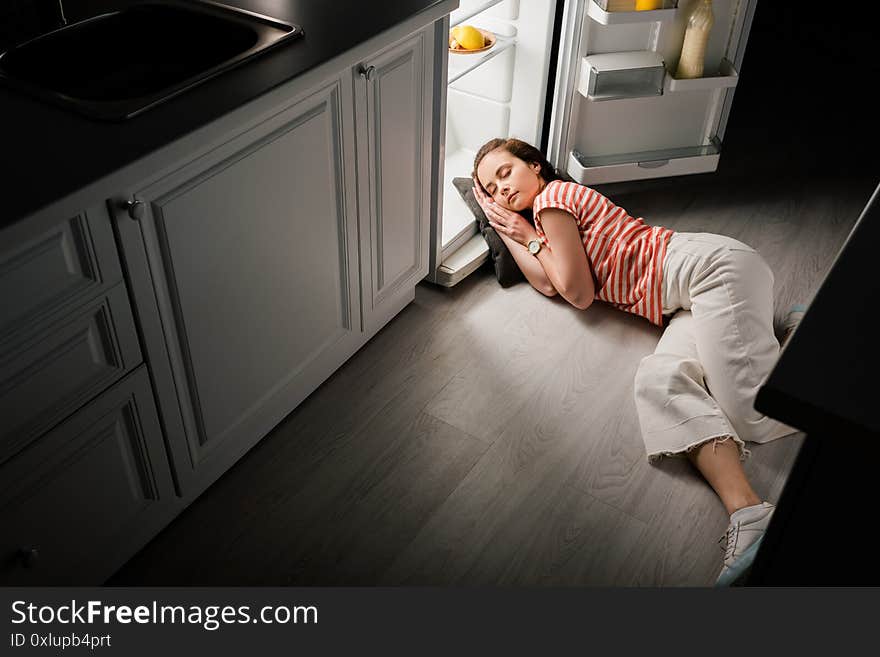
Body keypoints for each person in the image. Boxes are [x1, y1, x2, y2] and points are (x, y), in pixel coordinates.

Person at [471, 137, 804, 586]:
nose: (501, 190)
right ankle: (750, 514)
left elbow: (578, 293)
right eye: (491, 189)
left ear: (535, 165)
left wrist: (528, 234)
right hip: (684, 299)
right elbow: (549, 284)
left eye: (506, 173)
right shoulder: (543, 221)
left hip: (710, 271)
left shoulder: (553, 199)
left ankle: (808, 345)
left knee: (752, 414)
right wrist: (511, 228)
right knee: (659, 380)